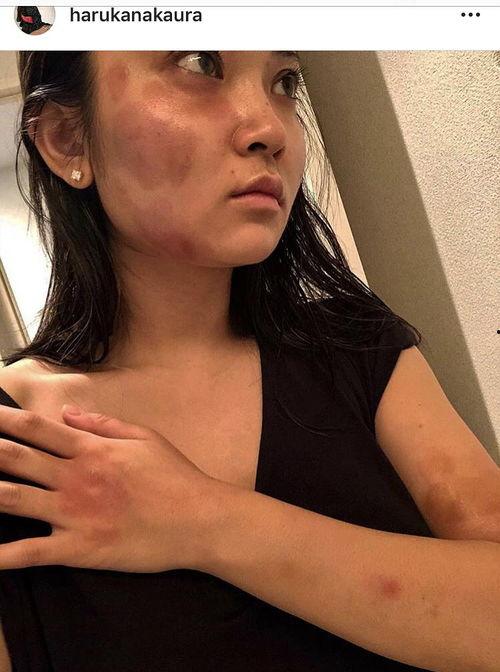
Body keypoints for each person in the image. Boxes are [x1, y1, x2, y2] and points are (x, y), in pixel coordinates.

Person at [0, 52, 498, 672]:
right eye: (199, 63)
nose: (269, 128)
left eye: (284, 82)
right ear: (66, 139)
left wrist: (203, 520)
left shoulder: (357, 349)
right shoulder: (14, 444)